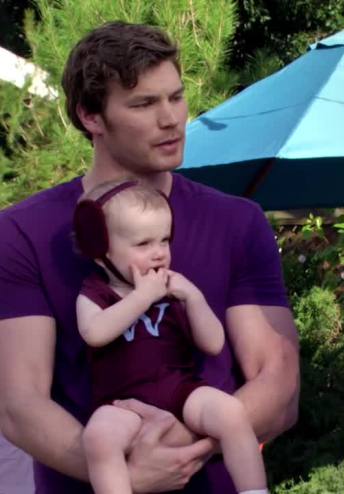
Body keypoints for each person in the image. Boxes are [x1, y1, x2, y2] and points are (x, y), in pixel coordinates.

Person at [0, 22, 299, 493]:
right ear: (91, 116)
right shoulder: (23, 233)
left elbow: (277, 381)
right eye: (144, 104)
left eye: (176, 98)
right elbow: (19, 404)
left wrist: (174, 447)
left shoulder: (237, 222)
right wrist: (124, 474)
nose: (171, 119)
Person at [74, 180, 268, 494]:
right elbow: (94, 333)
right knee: (98, 438)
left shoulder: (173, 290)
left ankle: (254, 490)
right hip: (122, 403)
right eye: (143, 244)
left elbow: (213, 343)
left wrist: (194, 298)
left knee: (231, 412)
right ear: (101, 252)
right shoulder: (96, 293)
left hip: (179, 389)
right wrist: (142, 297)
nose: (158, 254)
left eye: (164, 240)